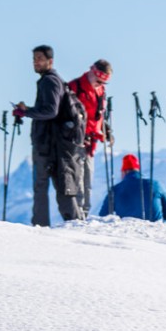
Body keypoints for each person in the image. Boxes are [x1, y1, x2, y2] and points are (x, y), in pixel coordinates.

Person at [12, 44, 83, 227]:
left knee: (43, 187)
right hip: (56, 144)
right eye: (34, 59)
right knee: (62, 186)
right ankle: (74, 223)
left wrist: (26, 111)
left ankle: (42, 226)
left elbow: (51, 111)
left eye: (39, 59)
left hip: (49, 145)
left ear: (50, 61)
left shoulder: (50, 81)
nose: (35, 62)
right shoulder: (53, 80)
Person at [66, 59, 113, 216]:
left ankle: (84, 213)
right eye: (99, 80)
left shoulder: (101, 91)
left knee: (88, 180)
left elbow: (98, 115)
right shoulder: (74, 87)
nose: (100, 84)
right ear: (92, 72)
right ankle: (76, 213)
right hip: (75, 140)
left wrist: (106, 130)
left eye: (103, 82)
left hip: (91, 142)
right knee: (77, 179)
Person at [99, 154, 166, 222]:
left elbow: (102, 217)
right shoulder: (156, 185)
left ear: (124, 171)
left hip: (126, 231)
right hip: (156, 231)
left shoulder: (115, 190)